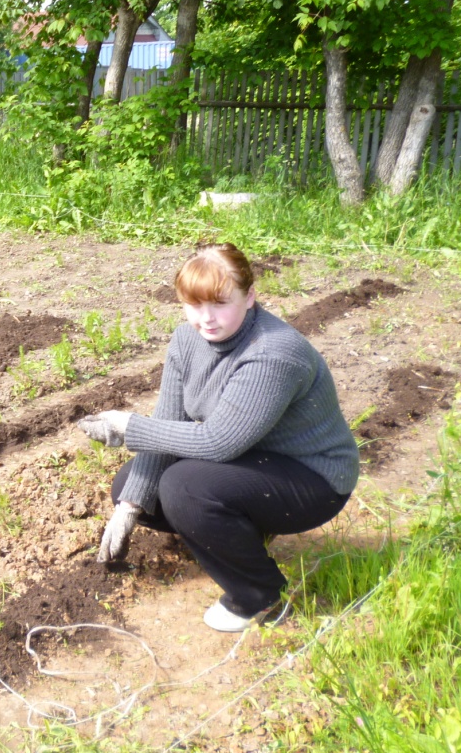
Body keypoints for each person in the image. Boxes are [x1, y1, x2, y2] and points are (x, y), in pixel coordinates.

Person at [77, 243, 358, 633]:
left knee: (183, 488)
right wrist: (129, 506)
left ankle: (258, 596)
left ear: (250, 297)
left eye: (220, 304)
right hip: (255, 459)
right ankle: (246, 533)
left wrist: (128, 427)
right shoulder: (187, 340)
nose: (206, 319)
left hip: (311, 477)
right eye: (194, 305)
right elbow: (169, 421)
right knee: (134, 485)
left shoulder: (273, 352)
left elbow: (218, 442)